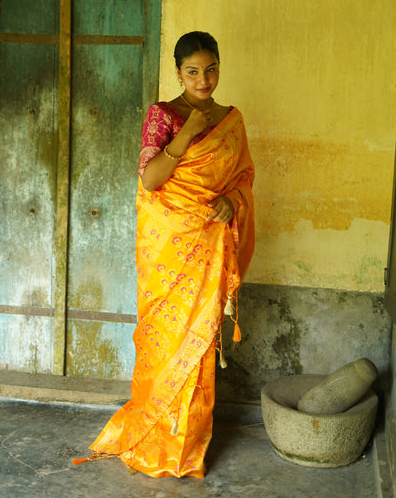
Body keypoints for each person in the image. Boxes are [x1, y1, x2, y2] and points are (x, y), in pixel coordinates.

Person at [73, 31, 255, 478]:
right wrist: (188, 132)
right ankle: (155, 438)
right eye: (193, 71)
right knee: (164, 342)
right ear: (179, 73)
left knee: (197, 349)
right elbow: (151, 181)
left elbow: (244, 176)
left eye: (210, 69)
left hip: (209, 245)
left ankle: (187, 448)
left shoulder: (232, 119)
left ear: (219, 67)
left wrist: (234, 201)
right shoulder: (164, 115)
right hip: (168, 252)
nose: (203, 79)